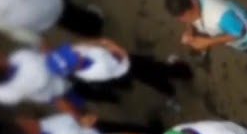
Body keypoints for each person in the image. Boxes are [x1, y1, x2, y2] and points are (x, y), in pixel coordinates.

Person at [43, 39, 190, 105]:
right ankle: (181, 73)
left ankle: (168, 89)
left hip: (122, 63)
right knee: (153, 71)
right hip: (125, 66)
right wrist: (116, 49)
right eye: (73, 58)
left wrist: (109, 46)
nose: (76, 53)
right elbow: (118, 55)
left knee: (149, 75)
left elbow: (94, 43)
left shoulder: (75, 53)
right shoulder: (96, 70)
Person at [0, 48, 74, 110]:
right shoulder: (17, 85)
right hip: (62, 91)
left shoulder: (18, 55)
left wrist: (46, 53)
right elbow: (42, 81)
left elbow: (44, 54)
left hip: (68, 69)